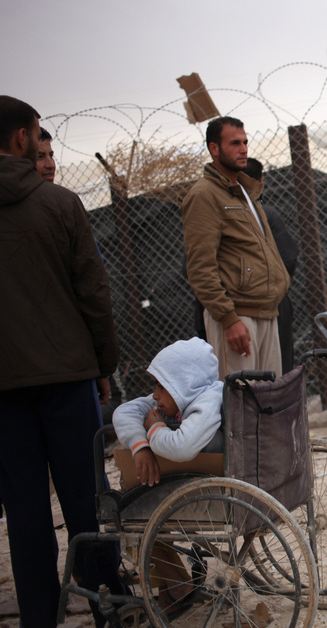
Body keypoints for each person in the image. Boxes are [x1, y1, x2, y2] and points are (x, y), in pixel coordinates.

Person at [0, 95, 123, 626]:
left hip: (4, 389)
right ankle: (108, 608)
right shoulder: (61, 204)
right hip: (69, 375)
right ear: (23, 139)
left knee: (24, 514)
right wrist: (103, 364)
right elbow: (93, 293)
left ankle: (38, 617)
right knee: (85, 501)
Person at [112, 337, 224, 613]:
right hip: (196, 488)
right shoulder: (186, 395)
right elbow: (124, 411)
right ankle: (174, 584)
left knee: (128, 512)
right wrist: (140, 446)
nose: (156, 395)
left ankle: (175, 583)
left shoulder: (208, 402)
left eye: (162, 386)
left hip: (202, 494)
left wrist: (154, 430)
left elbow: (182, 447)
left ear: (183, 383)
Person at [182, 117, 290, 379]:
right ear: (214, 149)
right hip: (238, 317)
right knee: (242, 404)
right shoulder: (204, 195)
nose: (243, 149)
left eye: (245, 142)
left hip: (266, 311)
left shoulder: (244, 191)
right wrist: (229, 319)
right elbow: (200, 267)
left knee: (268, 401)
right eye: (234, 143)